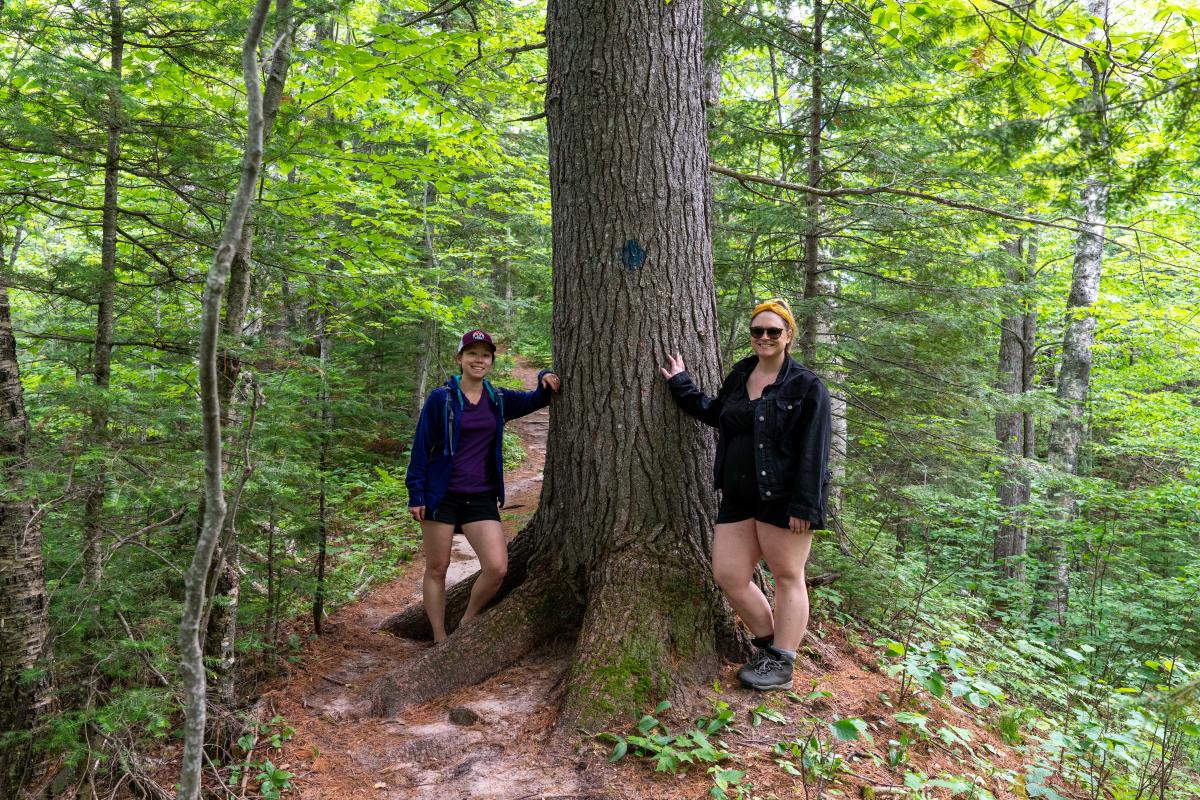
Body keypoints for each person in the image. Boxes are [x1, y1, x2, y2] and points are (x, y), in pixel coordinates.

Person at [660, 299, 831, 691]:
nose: (765, 337)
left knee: (788, 576)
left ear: (788, 335)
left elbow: (814, 450)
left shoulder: (807, 386)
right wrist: (680, 384)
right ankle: (771, 646)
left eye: (774, 330)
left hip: (783, 498)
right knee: (730, 574)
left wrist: (805, 504)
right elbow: (717, 413)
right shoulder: (740, 375)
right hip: (737, 495)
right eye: (758, 331)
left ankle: (783, 663)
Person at [406, 329, 560, 643]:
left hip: (480, 496)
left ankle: (467, 620)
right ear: (460, 359)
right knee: (437, 567)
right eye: (473, 353)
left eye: (485, 355)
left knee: (497, 567)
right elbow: (421, 447)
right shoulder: (442, 399)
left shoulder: (498, 399)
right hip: (441, 495)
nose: (479, 360)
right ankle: (439, 637)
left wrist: (545, 374)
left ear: (491, 362)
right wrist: (416, 493)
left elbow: (539, 398)